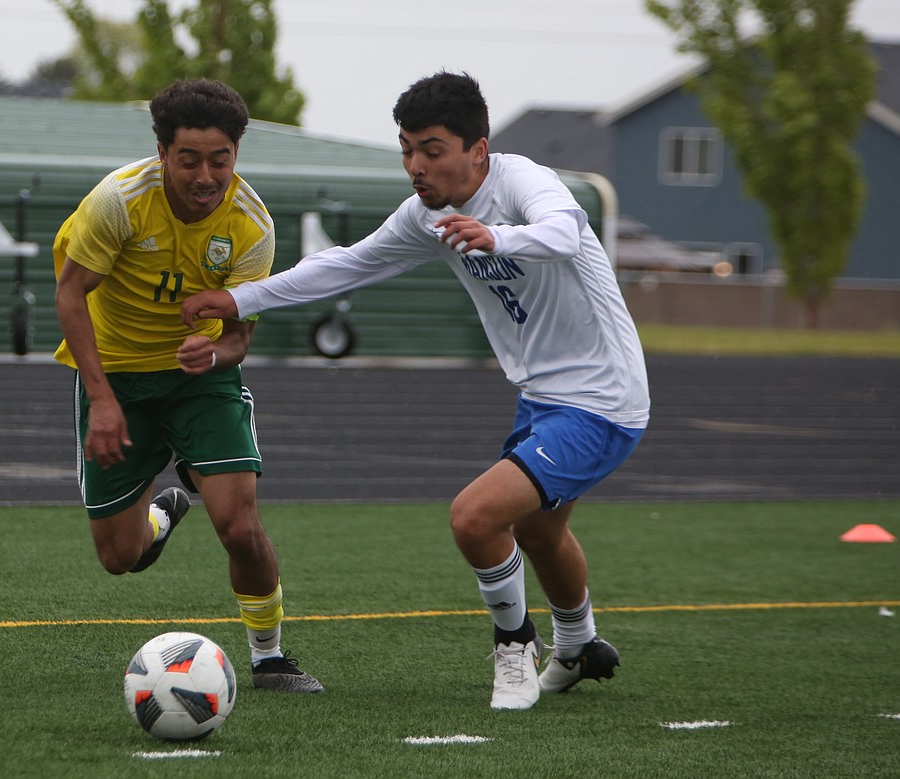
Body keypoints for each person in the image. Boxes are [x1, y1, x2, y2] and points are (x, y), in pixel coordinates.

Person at [181, 71, 648, 711]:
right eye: (406, 148)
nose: (415, 165)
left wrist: (499, 236)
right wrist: (237, 298)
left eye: (431, 149)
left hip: (603, 398)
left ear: (477, 150)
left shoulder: (522, 183)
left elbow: (565, 231)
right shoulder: (427, 214)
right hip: (543, 397)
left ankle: (515, 645)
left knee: (475, 518)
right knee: (539, 534)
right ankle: (580, 647)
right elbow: (344, 264)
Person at [52, 78, 322, 694]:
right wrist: (100, 401)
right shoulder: (117, 203)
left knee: (239, 524)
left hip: (198, 384)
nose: (206, 176)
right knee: (119, 558)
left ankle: (269, 656)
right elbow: (70, 295)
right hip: (116, 379)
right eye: (189, 160)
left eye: (220, 160)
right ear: (161, 151)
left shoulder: (251, 226)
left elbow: (238, 341)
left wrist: (215, 350)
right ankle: (160, 517)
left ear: (236, 154)